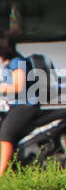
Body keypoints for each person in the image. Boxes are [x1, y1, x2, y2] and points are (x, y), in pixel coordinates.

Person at [0, 33, 40, 176]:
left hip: (25, 106)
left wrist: (2, 88)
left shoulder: (17, 62)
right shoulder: (8, 63)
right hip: (14, 105)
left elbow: (18, 86)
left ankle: (2, 173)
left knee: (5, 134)